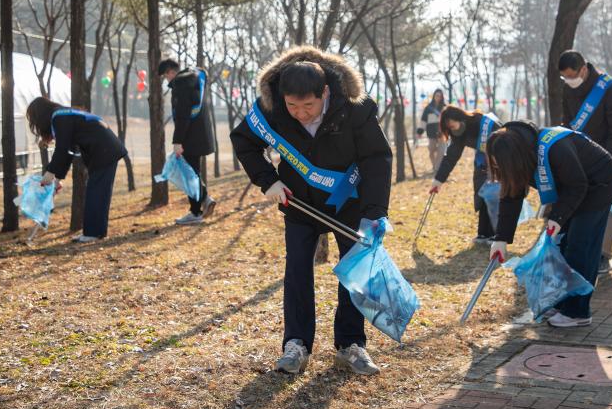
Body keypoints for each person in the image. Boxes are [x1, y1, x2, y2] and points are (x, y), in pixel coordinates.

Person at [230, 46, 392, 376]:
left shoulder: (353, 109)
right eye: (293, 106)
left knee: (353, 271)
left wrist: (374, 212)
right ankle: (297, 344)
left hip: (348, 203)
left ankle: (351, 343)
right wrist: (267, 180)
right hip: (300, 204)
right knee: (298, 270)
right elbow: (243, 140)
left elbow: (376, 158)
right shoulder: (271, 108)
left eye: (308, 106)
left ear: (326, 94)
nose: (301, 113)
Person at [486, 121, 612, 328]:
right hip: (570, 191)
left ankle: (578, 312)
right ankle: (561, 303)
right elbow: (511, 195)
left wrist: (557, 218)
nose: (498, 169)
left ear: (516, 158)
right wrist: (501, 239)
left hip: (599, 186)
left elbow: (577, 185)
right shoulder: (517, 152)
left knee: (579, 247)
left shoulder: (555, 149)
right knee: (561, 247)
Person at [559, 50, 612, 275]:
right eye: (565, 78)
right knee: (583, 198)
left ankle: (603, 253)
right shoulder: (567, 89)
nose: (570, 81)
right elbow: (567, 121)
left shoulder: (608, 88)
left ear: (583, 69)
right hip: (582, 152)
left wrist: (607, 162)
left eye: (572, 76)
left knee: (607, 200)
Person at [26, 97, 127, 243]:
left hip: (104, 150)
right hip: (106, 149)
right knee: (98, 192)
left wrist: (50, 173)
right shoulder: (65, 114)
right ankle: (95, 232)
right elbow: (68, 151)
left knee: (96, 192)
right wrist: (57, 179)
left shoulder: (60, 118)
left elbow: (62, 149)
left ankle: (93, 233)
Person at [429, 105, 503, 245]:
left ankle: (497, 234)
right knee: (481, 194)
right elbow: (451, 157)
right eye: (448, 127)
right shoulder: (458, 134)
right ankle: (483, 233)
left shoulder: (482, 122)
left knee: (494, 196)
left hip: (498, 161)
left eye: (451, 124)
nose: (451, 128)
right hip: (482, 163)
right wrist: (438, 181)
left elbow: (502, 141)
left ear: (459, 116)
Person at [157, 59, 217, 225]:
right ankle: (201, 204)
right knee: (193, 171)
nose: (166, 80)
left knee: (189, 174)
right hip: (202, 133)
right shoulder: (194, 78)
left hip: (190, 136)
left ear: (170, 72)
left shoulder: (181, 84)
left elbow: (182, 114)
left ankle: (197, 209)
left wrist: (177, 141)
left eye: (165, 76)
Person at [419, 89, 448, 172]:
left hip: (442, 133)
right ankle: (435, 166)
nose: (438, 97)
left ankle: (437, 168)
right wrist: (420, 132)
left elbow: (449, 121)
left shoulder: (445, 107)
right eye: (437, 95)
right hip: (431, 133)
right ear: (434, 96)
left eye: (440, 96)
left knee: (441, 151)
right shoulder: (428, 108)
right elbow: (423, 121)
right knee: (431, 150)